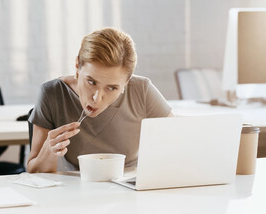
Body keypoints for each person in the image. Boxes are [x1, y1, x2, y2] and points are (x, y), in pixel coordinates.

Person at [27, 28, 173, 173]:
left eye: (111, 88)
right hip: (77, 189)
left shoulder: (142, 90)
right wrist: (49, 150)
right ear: (77, 66)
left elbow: (180, 145)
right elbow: (33, 171)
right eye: (91, 82)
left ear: (126, 83)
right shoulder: (52, 93)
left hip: (132, 189)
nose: (97, 98)